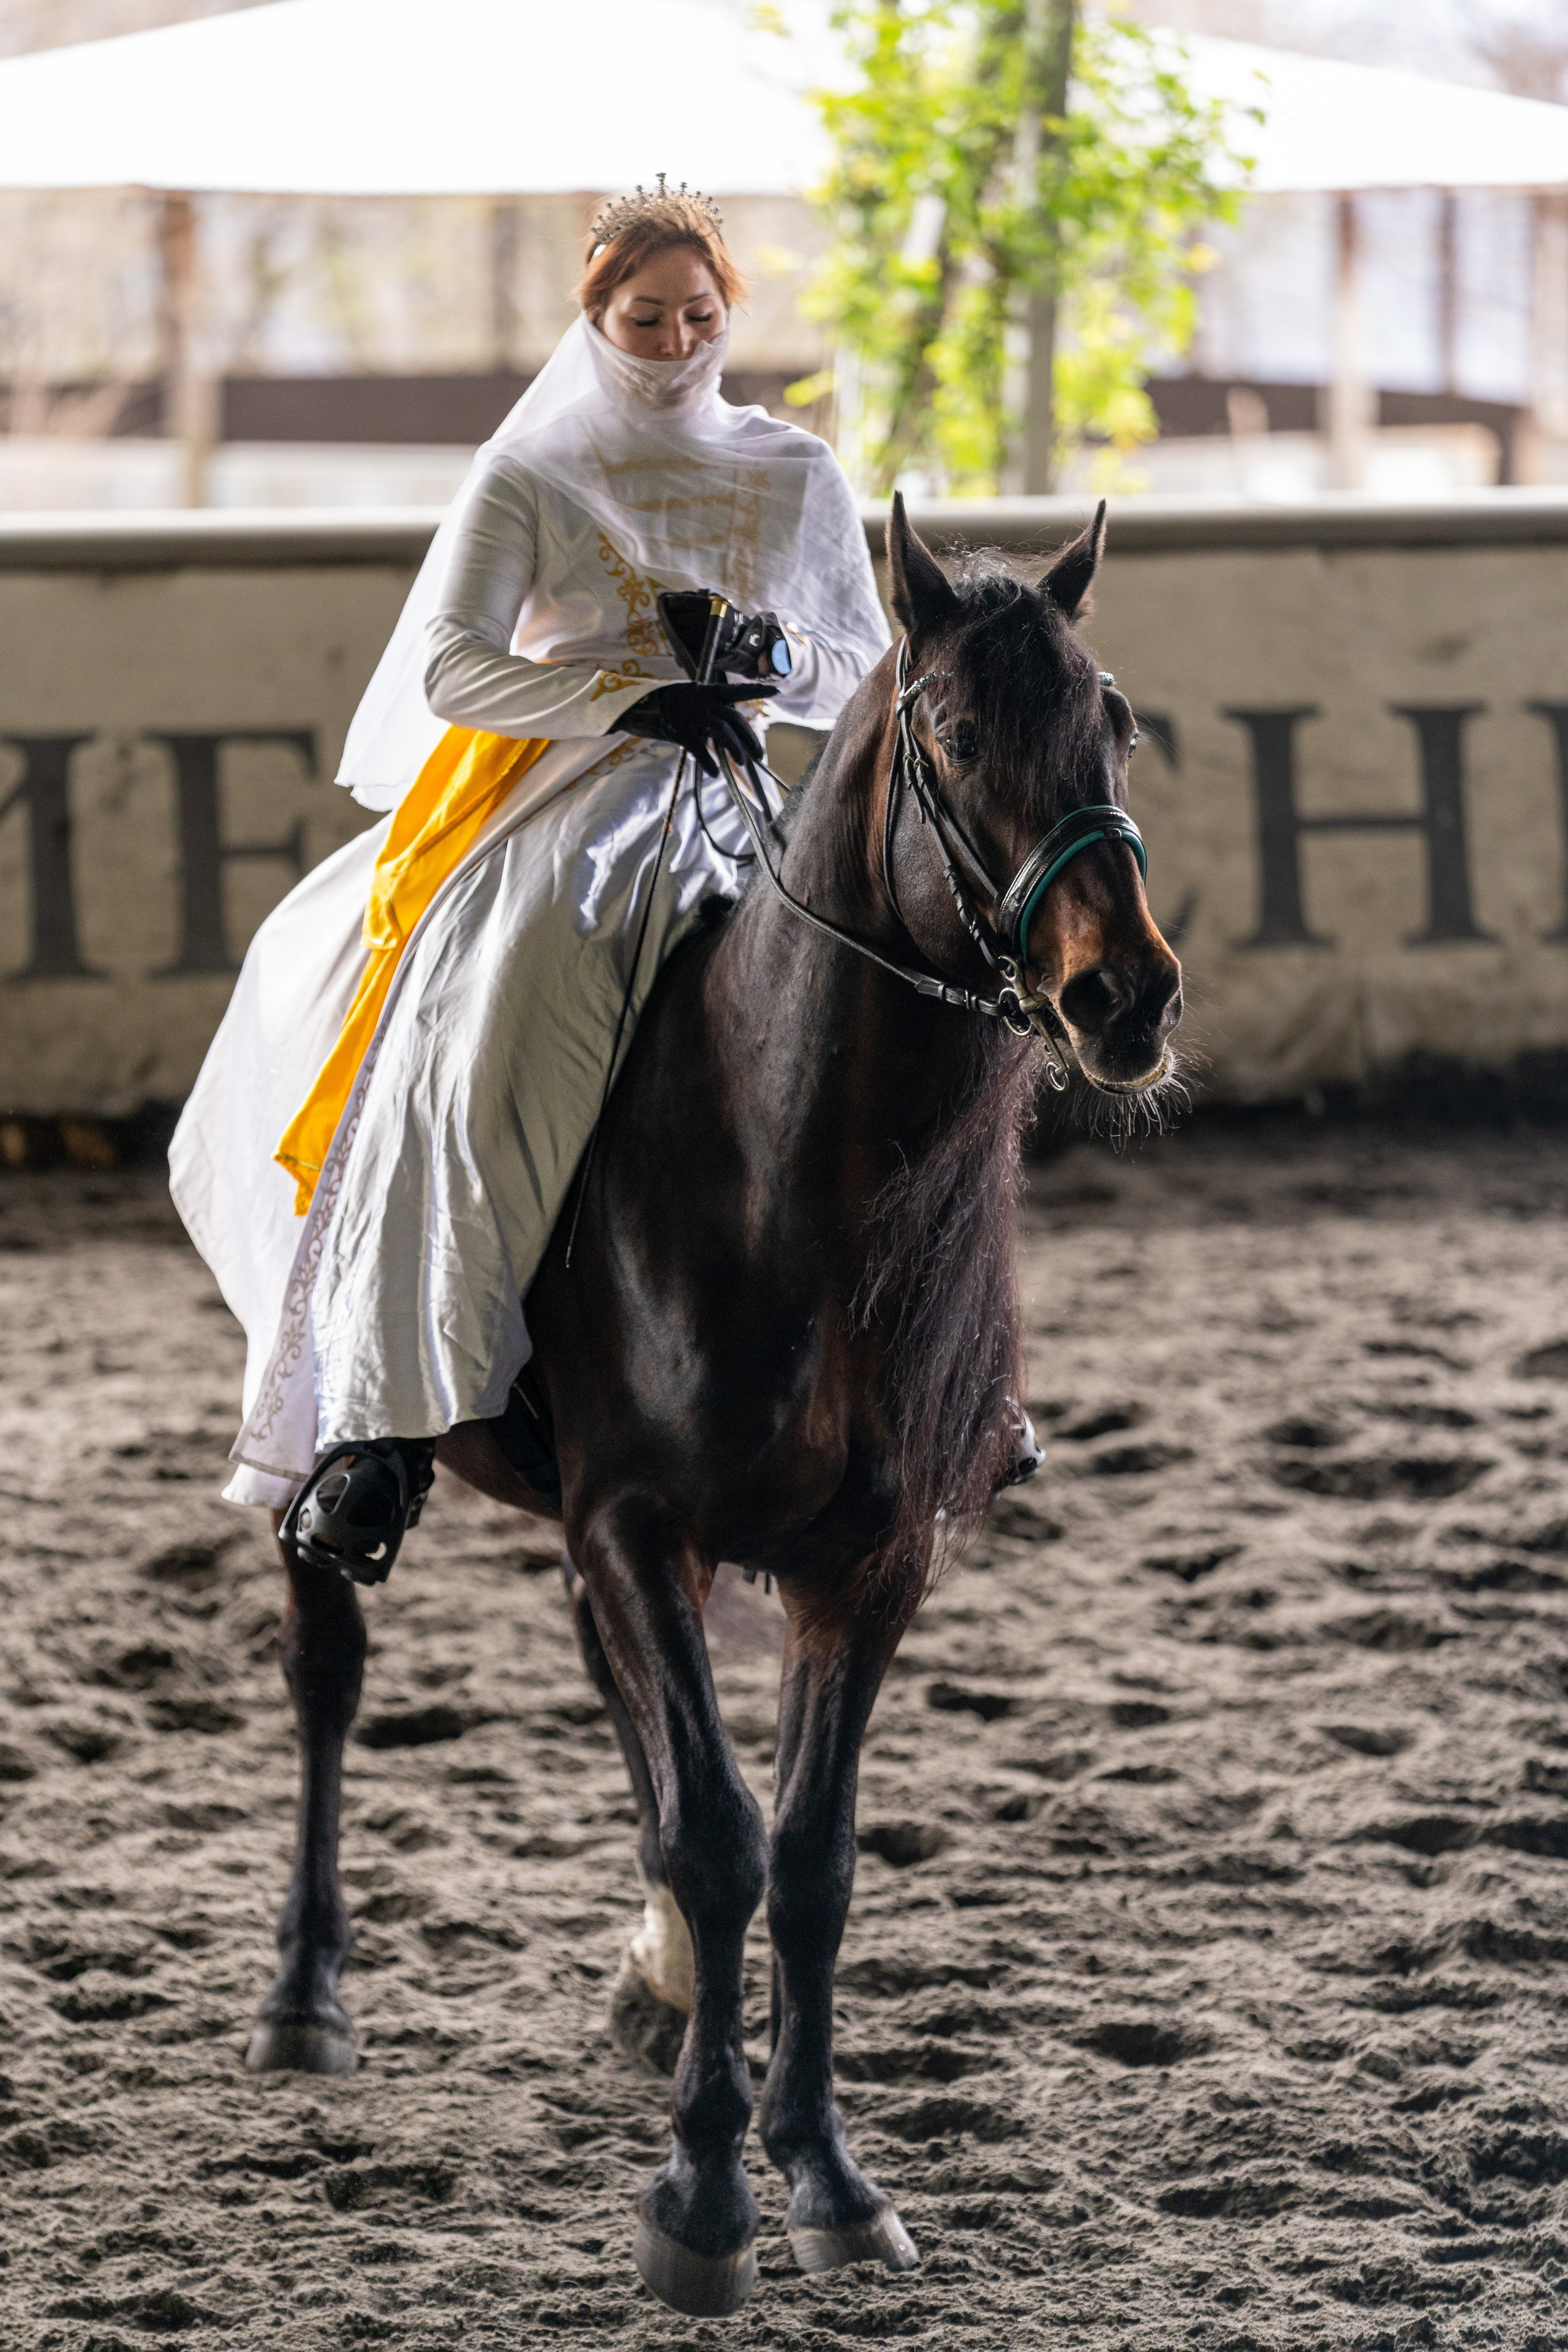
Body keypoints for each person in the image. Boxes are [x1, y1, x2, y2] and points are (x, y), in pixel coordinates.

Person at [169, 179, 891, 1576]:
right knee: (500, 1013)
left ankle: (938, 1366)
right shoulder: (534, 473)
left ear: (727, 315)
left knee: (895, 1004)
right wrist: (623, 696)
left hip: (744, 789)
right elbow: (451, 666)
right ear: (595, 319)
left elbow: (860, 666)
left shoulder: (791, 470)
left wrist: (769, 662)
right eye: (643, 318)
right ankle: (389, 1423)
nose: (673, 342)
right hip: (564, 797)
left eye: (697, 316)